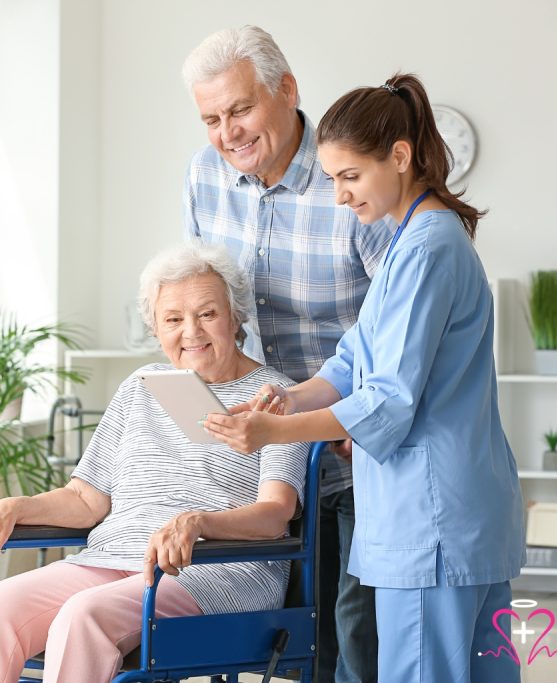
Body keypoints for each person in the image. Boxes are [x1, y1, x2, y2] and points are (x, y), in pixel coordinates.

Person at [203, 73, 526, 682]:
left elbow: (386, 401)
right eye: (331, 180)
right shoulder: (411, 240)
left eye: (350, 177)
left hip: (431, 520)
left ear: (399, 157)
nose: (341, 197)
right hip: (458, 516)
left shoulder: (427, 247)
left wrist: (277, 431)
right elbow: (354, 358)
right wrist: (289, 397)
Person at [0, 244, 310, 683]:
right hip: (113, 558)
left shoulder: (278, 398)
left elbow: (275, 515)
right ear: (155, 328)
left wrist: (199, 523)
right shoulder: (141, 388)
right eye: (173, 319)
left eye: (207, 314)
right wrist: (12, 507)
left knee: (83, 615)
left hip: (215, 569)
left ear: (237, 318)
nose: (191, 331)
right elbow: (86, 498)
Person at [181, 25, 389, 683]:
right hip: (262, 461)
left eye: (240, 108)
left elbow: (404, 316)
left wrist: (359, 415)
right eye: (212, 118)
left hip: (352, 448)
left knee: (356, 638)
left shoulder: (348, 179)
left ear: (288, 90)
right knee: (287, 641)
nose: (228, 132)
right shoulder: (205, 175)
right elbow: (203, 300)